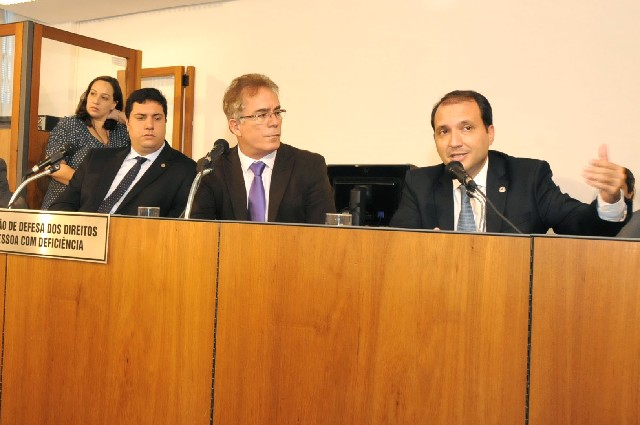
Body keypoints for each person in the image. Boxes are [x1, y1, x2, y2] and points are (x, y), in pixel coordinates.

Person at [390, 90, 633, 235]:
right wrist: (420, 249)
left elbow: (583, 226)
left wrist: (610, 200)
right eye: (444, 131)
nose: (454, 142)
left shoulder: (528, 177)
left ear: (490, 133)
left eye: (466, 128)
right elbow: (395, 251)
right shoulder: (420, 183)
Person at [190, 73, 335, 223]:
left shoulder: (308, 166)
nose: (274, 122)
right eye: (262, 115)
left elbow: (325, 233)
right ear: (235, 126)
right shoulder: (212, 171)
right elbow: (197, 230)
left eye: (277, 113)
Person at [49, 88, 196, 217]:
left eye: (157, 118)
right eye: (141, 118)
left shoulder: (185, 170)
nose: (149, 125)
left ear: (165, 122)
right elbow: (62, 205)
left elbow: (177, 227)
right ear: (128, 123)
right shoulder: (97, 159)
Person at [41, 76, 131, 210]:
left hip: (103, 208)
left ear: (114, 103)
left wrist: (121, 116)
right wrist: (94, 185)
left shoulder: (121, 132)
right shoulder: (70, 125)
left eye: (104, 97)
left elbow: (143, 136)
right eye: (93, 94)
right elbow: (55, 168)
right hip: (65, 205)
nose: (96, 101)